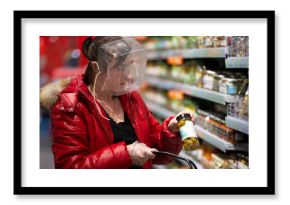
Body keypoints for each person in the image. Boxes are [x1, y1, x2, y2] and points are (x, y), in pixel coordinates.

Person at [40, 36, 194, 169]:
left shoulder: (131, 98)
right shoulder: (71, 106)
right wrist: (126, 154)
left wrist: (170, 130)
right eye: (120, 68)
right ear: (96, 68)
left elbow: (158, 152)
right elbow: (71, 167)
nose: (129, 76)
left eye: (129, 67)